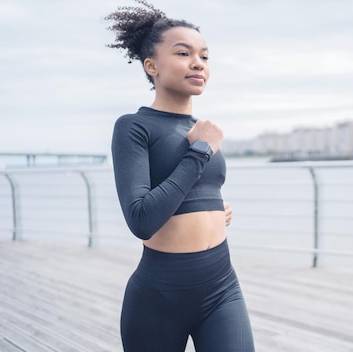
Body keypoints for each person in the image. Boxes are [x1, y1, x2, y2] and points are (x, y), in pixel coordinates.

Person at [105, 1, 255, 351]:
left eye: (204, 55)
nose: (198, 62)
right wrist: (200, 152)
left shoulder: (200, 129)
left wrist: (216, 211)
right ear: (151, 65)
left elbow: (195, 190)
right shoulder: (134, 127)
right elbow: (141, 219)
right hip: (159, 295)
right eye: (184, 53)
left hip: (222, 285)